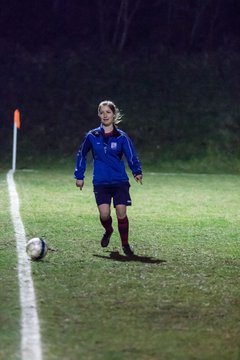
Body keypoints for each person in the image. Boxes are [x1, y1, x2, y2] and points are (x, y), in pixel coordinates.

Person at [74, 100, 142, 256]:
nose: (105, 115)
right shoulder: (92, 136)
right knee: (104, 214)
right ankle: (108, 230)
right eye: (102, 112)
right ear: (99, 115)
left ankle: (125, 245)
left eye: (108, 112)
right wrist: (79, 175)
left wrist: (136, 171)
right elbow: (81, 154)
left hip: (119, 181)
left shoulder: (121, 137)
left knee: (121, 212)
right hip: (100, 182)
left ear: (114, 114)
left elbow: (131, 155)